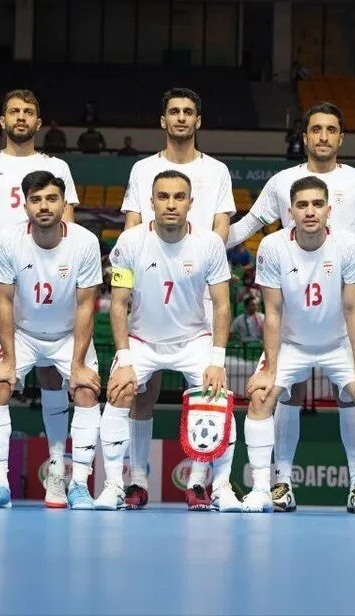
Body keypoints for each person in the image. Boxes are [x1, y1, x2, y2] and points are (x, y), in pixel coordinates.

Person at [225, 101, 355, 513]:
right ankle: (278, 483)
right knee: (280, 394)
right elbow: (246, 227)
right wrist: (201, 243)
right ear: (304, 137)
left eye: (331, 129)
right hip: (294, 312)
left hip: (339, 314)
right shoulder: (282, 183)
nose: (323, 136)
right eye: (316, 129)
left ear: (341, 137)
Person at [0, 89, 83, 508]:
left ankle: (58, 476)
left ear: (38, 122)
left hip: (45, 284)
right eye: (14, 111)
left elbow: (69, 227)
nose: (21, 117)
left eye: (28, 112)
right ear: (2, 120)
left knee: (51, 378)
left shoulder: (56, 167)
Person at [118, 87, 238, 510]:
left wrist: (199, 269)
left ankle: (201, 482)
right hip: (150, 293)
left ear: (198, 120)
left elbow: (221, 228)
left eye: (189, 112)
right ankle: (136, 480)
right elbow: (132, 225)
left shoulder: (217, 171)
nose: (181, 118)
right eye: (174, 111)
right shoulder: (142, 169)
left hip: (199, 291)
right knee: (141, 393)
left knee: (208, 392)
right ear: (163, 120)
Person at [243, 176, 355, 514]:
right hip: (290, 344)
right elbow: (272, 312)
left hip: (337, 344)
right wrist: (270, 369)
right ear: (290, 212)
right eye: (302, 205)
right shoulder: (273, 246)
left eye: (317, 204)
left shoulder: (349, 245)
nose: (310, 211)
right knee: (261, 396)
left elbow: (353, 309)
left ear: (329, 210)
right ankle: (270, 487)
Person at [97, 170, 236, 512]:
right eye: (163, 197)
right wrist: (124, 360)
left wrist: (217, 361)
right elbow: (118, 303)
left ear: (190, 202)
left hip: (193, 339)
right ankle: (122, 484)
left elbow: (222, 305)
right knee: (120, 393)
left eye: (178, 197)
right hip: (142, 340)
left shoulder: (209, 243)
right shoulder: (130, 242)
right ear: (151, 202)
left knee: (218, 398)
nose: (171, 204)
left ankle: (206, 485)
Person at [0, 170, 104, 510]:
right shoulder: (8, 240)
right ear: (25, 206)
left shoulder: (85, 242)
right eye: (36, 200)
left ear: (64, 204)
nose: (44, 206)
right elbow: (4, 301)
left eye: (51, 198)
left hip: (68, 335)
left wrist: (77, 365)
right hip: (23, 334)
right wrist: (7, 359)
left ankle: (76, 484)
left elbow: (86, 305)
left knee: (86, 390)